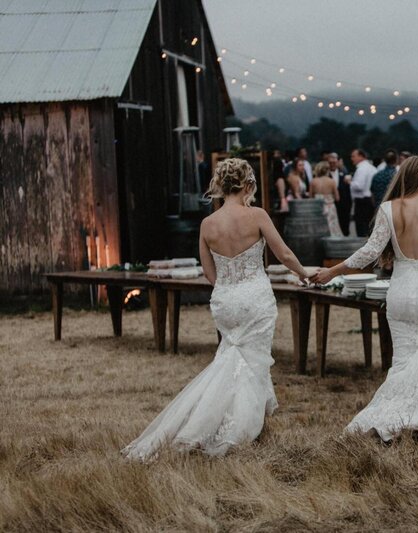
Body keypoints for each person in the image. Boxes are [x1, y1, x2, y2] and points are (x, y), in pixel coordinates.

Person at [122, 159, 309, 460]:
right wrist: (304, 274)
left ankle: (218, 422)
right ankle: (239, 431)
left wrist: (229, 284)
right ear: (248, 185)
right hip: (255, 299)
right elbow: (284, 254)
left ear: (222, 186)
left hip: (225, 300)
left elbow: (209, 273)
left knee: (231, 361)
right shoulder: (257, 215)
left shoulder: (208, 224)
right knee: (253, 363)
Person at [311, 156, 418, 441]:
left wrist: (333, 271)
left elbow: (369, 252)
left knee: (405, 361)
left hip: (401, 294)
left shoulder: (388, 209)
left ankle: (398, 416)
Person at [350, 148, 378, 237]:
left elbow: (359, 186)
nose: (351, 158)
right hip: (371, 201)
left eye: (353, 156)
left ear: (361, 156)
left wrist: (349, 182)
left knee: (361, 228)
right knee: (369, 227)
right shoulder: (372, 168)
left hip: (362, 202)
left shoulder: (361, 169)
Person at [310, 161, 342, 236]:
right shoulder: (331, 181)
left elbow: (310, 197)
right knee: (332, 227)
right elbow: (337, 198)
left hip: (318, 208)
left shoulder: (313, 182)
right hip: (330, 207)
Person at [327, 152, 352, 236]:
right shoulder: (326, 175)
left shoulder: (344, 173)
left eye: (334, 162)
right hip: (331, 203)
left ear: (337, 162)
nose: (332, 164)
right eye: (330, 163)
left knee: (344, 222)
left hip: (343, 203)